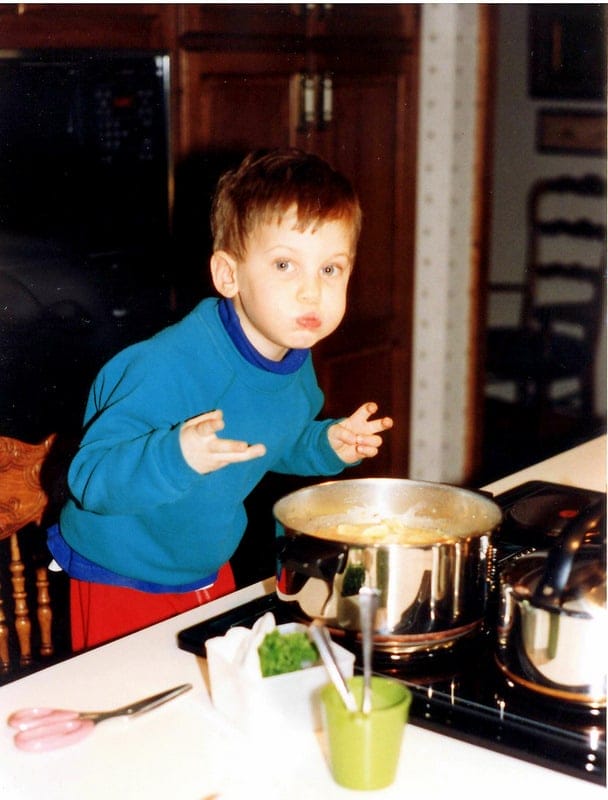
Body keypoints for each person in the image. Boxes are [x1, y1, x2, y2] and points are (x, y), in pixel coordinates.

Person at [48, 148, 393, 650]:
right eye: (284, 265)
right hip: (119, 569)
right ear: (228, 275)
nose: (310, 293)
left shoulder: (292, 356)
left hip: (204, 563)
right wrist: (177, 454)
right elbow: (90, 479)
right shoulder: (164, 366)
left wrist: (326, 444)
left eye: (331, 269)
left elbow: (276, 439)